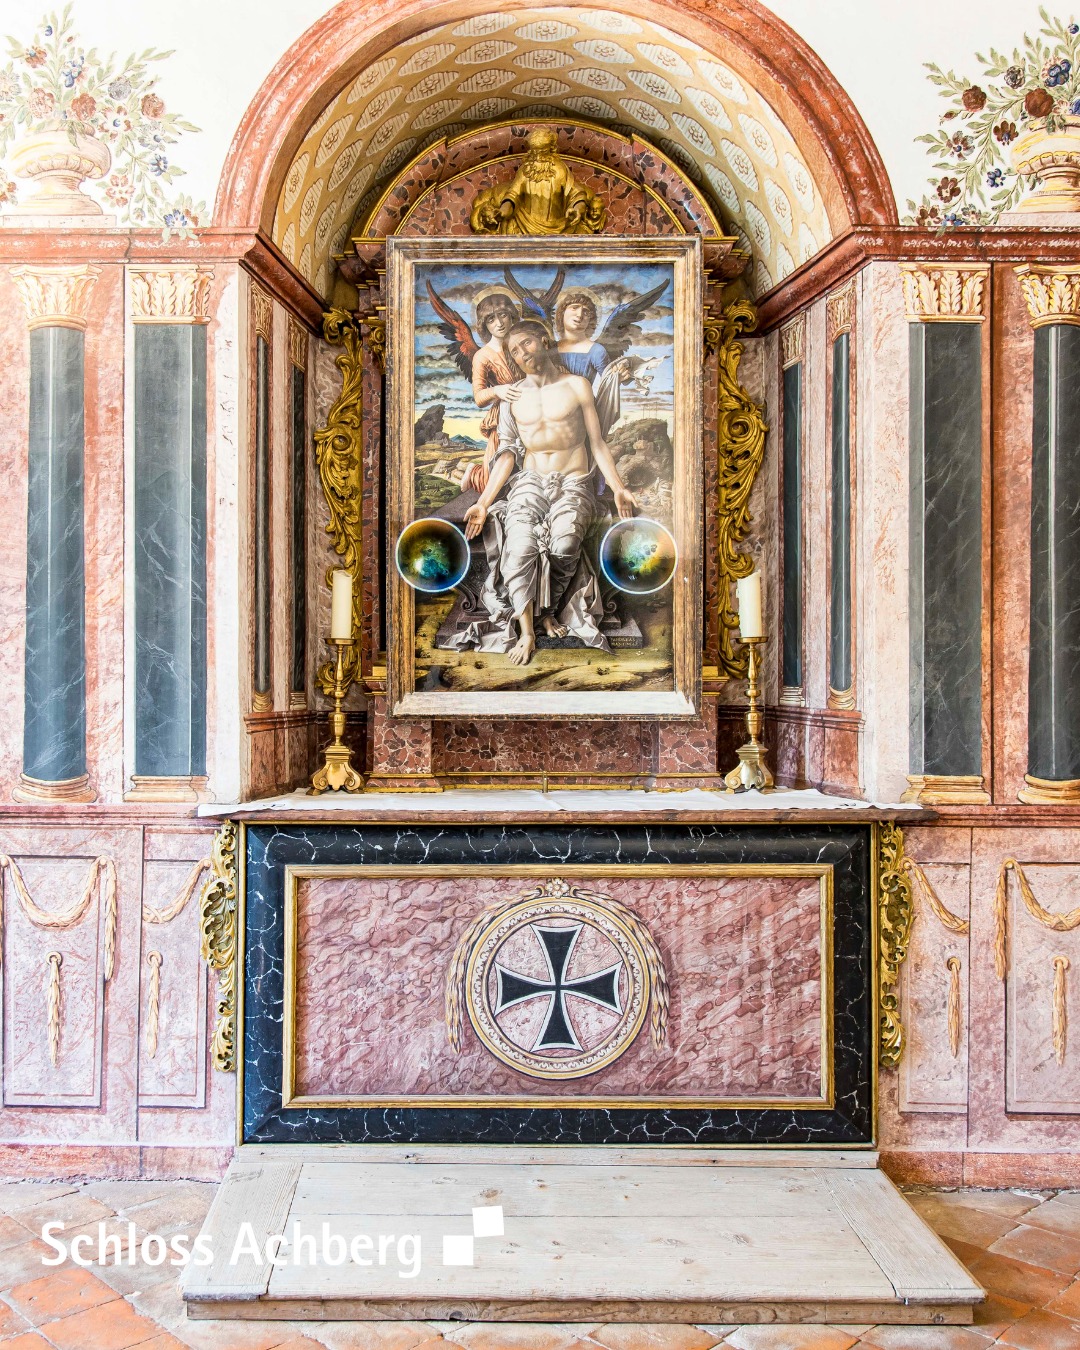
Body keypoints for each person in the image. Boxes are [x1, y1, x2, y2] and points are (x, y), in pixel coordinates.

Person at [455, 320, 636, 667]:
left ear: (544, 340)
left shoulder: (578, 386)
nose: (523, 354)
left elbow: (597, 443)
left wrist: (618, 487)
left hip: (573, 480)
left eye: (527, 344)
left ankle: (548, 611)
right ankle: (526, 632)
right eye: (515, 351)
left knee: (564, 545)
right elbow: (507, 455)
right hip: (530, 482)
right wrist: (482, 501)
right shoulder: (512, 397)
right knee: (520, 548)